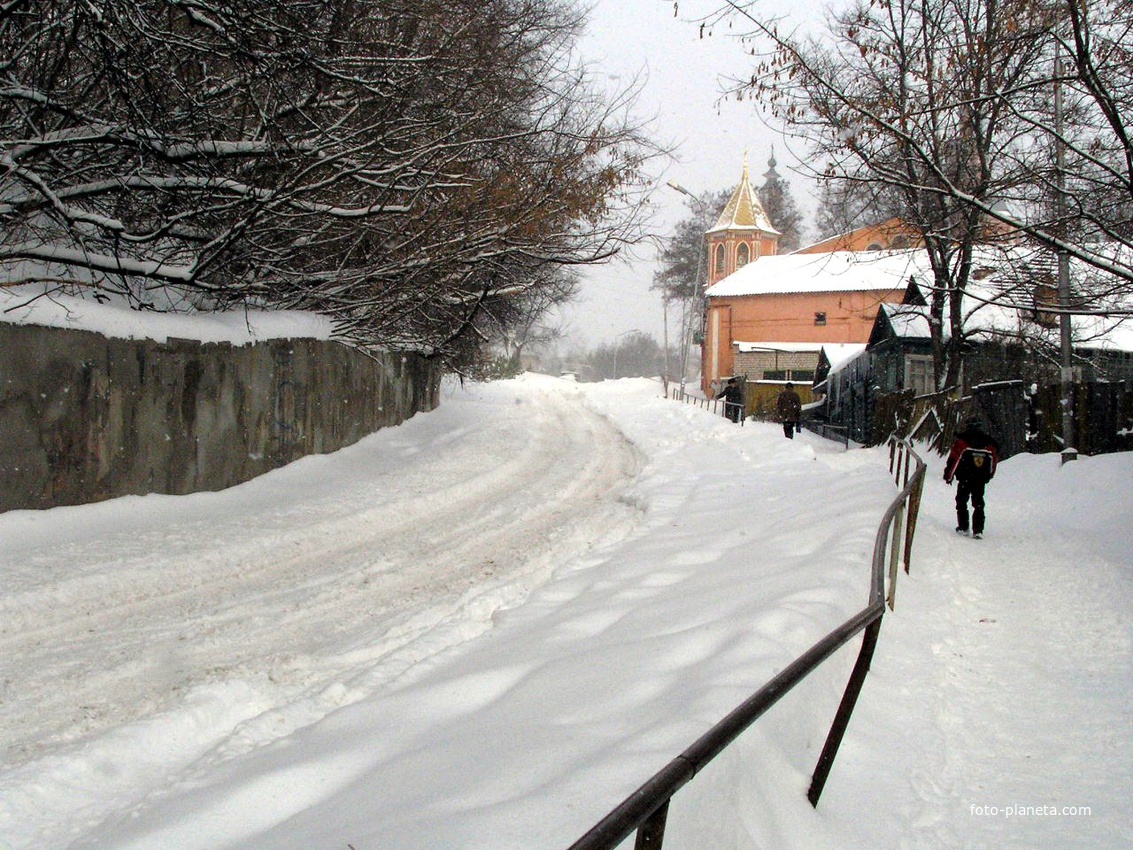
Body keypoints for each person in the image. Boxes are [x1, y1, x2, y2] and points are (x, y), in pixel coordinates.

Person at [943, 417, 1000, 539]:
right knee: (978, 503)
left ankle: (963, 526)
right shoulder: (988, 443)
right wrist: (989, 475)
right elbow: (993, 461)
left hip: (965, 478)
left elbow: (954, 460)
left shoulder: (962, 442)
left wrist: (949, 475)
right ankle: (978, 530)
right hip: (980, 479)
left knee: (961, 501)